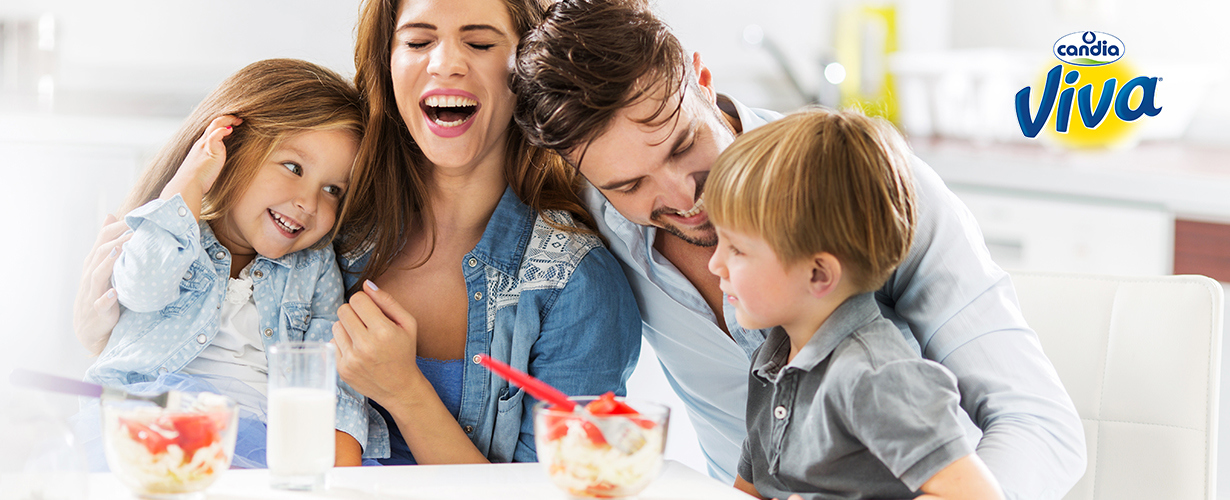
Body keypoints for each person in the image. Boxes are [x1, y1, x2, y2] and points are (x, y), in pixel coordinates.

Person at [511, 0, 1086, 497]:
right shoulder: (590, 219)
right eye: (628, 186)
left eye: (683, 144)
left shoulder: (868, 189)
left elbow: (1039, 424)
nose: (684, 197)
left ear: (701, 78)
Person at [73, 0, 642, 466]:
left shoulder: (573, 283)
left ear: (527, 69)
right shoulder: (324, 230)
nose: (445, 63)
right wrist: (104, 326)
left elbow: (559, 492)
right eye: (418, 41)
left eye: (481, 42)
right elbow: (185, 318)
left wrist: (404, 391)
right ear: (388, 63)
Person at [82, 58, 369, 468]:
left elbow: (329, 369)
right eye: (293, 167)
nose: (309, 202)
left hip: (259, 441)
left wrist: (338, 465)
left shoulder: (315, 267)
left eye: (333, 189)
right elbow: (141, 287)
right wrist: (188, 183)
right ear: (230, 152)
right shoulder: (176, 235)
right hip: (149, 424)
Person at [707, 108, 1003, 500]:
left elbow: (977, 496)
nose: (715, 264)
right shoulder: (772, 361)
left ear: (818, 275)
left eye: (737, 250)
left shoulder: (876, 375)